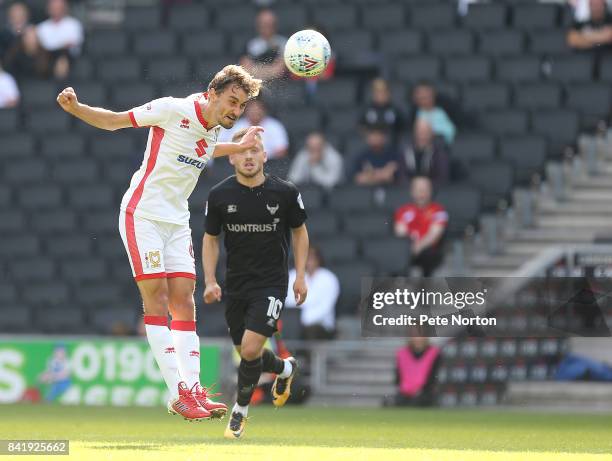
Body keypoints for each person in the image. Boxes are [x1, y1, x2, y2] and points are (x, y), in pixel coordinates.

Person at [56, 65, 264, 422]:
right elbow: (115, 121)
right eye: (232, 101)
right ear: (213, 93)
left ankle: (194, 389)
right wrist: (77, 108)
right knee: (159, 299)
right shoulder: (173, 109)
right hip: (143, 215)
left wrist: (239, 144)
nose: (236, 110)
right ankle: (177, 393)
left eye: (242, 106)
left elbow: (206, 147)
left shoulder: (213, 127)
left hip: (177, 222)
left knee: (184, 302)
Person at [202, 127, 309, 439]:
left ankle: (239, 412)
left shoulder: (285, 192)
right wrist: (209, 280)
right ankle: (286, 368)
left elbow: (300, 232)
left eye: (254, 150)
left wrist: (300, 275)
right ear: (231, 158)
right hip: (236, 285)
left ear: (265, 155)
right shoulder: (219, 195)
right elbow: (210, 240)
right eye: (242, 151)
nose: (248, 156)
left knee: (250, 349)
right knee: (247, 351)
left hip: (271, 284)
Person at [394, 177, 448, 276]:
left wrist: (417, 247)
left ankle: (425, 287)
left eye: (425, 189)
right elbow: (400, 232)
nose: (422, 192)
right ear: (412, 191)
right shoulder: (403, 210)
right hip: (407, 249)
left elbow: (434, 235)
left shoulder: (439, 210)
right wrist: (409, 248)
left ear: (431, 191)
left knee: (429, 255)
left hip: (428, 250)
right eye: (418, 189)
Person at [286, 246, 339, 340]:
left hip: (321, 325)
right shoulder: (292, 276)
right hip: (293, 324)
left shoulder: (329, 278)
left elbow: (325, 307)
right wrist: (296, 322)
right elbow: (289, 302)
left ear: (318, 259)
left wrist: (302, 320)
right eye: (306, 257)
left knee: (310, 330)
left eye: (312, 258)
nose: (309, 261)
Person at [220, 99, 289, 159]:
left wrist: (259, 159)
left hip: (269, 163)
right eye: (252, 109)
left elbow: (282, 150)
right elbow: (228, 148)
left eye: (258, 109)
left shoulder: (274, 125)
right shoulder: (237, 126)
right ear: (246, 111)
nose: (255, 112)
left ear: (264, 110)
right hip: (240, 162)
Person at [31, 0, 84, 79]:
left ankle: (59, 86)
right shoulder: (42, 27)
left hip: (66, 56)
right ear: (48, 9)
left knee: (62, 61)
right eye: (54, 7)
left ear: (65, 8)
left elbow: (71, 44)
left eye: (59, 7)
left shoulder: (73, 24)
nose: (56, 10)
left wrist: (51, 46)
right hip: (45, 56)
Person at [382, 336, 441, 407]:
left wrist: (422, 389)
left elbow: (433, 375)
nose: (418, 339)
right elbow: (398, 375)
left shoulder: (434, 353)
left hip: (424, 391)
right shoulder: (402, 353)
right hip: (405, 391)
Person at [240, 9, 286, 81]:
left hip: (279, 85)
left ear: (275, 25)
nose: (267, 27)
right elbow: (245, 70)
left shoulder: (283, 43)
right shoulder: (250, 45)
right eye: (264, 24)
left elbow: (279, 71)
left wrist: (255, 69)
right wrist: (271, 69)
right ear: (258, 25)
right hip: (255, 85)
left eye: (270, 24)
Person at [402, 118, 450, 187]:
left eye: (426, 132)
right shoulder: (406, 152)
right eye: (420, 132)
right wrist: (415, 188)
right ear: (414, 132)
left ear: (432, 133)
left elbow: (443, 177)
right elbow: (401, 176)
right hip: (408, 191)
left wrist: (425, 187)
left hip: (433, 190)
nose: (422, 135)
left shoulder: (440, 154)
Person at [360, 78, 404, 143]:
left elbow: (402, 129)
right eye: (377, 92)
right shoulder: (366, 110)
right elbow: (361, 126)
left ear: (388, 93)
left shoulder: (396, 110)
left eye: (383, 92)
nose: (380, 95)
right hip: (372, 146)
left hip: (392, 145)